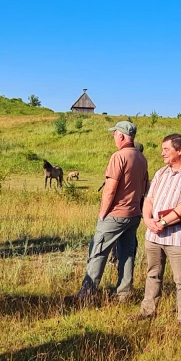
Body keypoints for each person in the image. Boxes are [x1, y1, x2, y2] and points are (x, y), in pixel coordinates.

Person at [134, 134, 181, 327]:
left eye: (166, 149)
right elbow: (149, 199)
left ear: (179, 150)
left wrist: (163, 222)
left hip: (178, 237)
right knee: (152, 274)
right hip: (154, 234)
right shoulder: (161, 173)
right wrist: (148, 219)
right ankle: (147, 311)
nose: (162, 153)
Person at [77, 121, 149, 302]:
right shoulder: (141, 158)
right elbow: (145, 187)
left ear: (122, 136)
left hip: (116, 214)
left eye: (115, 134)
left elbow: (110, 188)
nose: (113, 137)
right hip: (134, 214)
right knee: (127, 254)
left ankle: (86, 295)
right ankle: (123, 294)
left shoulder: (119, 156)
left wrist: (103, 213)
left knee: (98, 252)